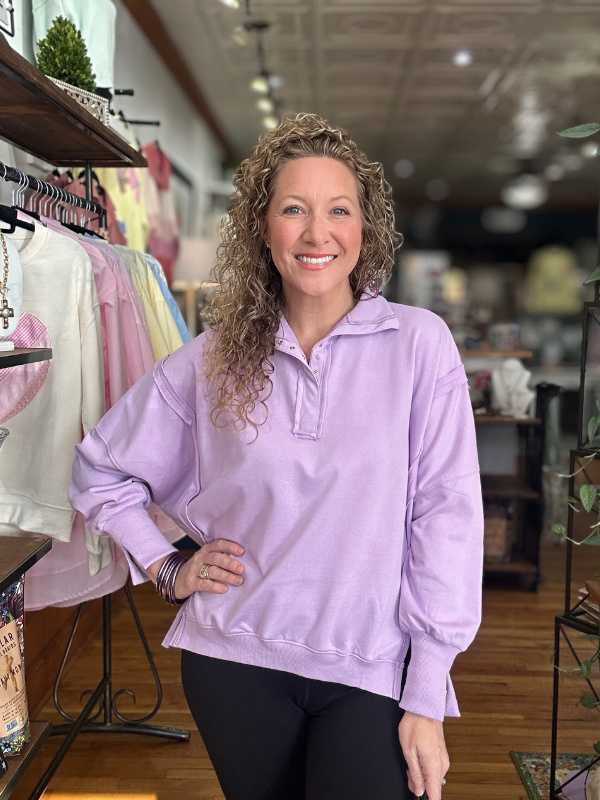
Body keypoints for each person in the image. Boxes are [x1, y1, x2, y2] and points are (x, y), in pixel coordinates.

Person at [70, 113, 484, 800]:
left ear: (366, 229)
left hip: (371, 669)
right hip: (235, 663)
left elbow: (447, 516)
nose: (317, 233)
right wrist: (168, 567)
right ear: (263, 229)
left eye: (338, 211)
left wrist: (427, 692)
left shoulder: (420, 346)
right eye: (294, 209)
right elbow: (100, 468)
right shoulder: (213, 362)